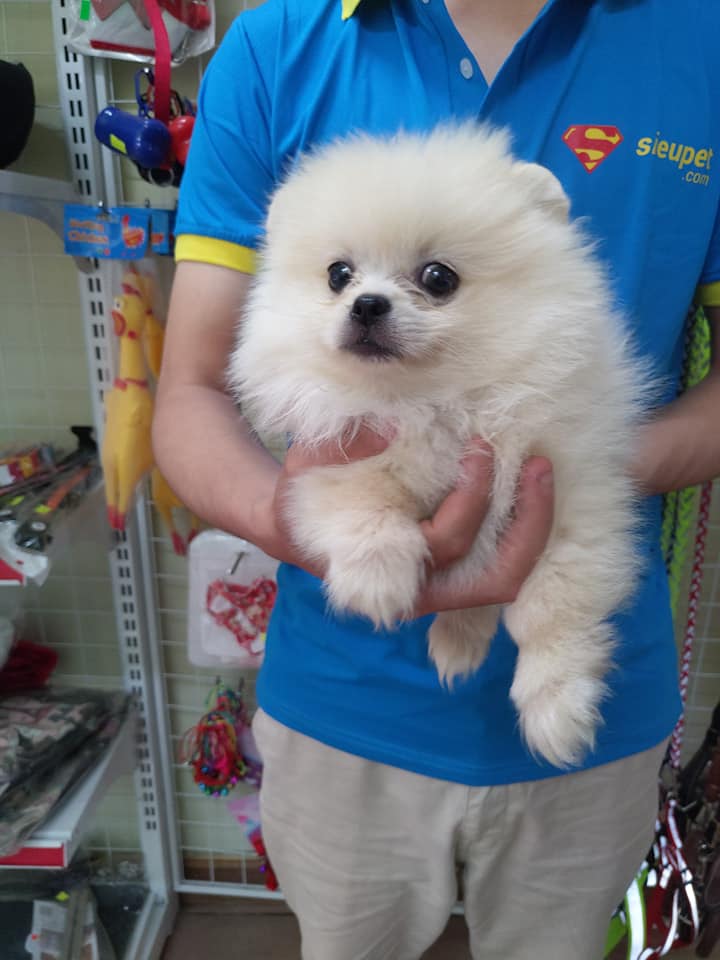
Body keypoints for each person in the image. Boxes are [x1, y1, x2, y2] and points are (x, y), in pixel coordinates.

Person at [153, 1, 720, 957]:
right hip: (339, 707)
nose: (371, 303)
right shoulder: (279, 46)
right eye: (342, 276)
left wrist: (562, 468)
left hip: (597, 713)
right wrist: (300, 516)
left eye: (435, 282)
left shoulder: (703, 40)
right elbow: (190, 392)